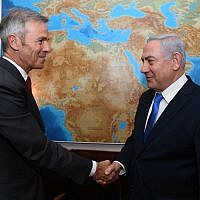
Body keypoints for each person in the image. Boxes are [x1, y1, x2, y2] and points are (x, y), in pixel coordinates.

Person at [0, 8, 110, 200]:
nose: (48, 48)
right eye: (40, 41)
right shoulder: (4, 84)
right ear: (14, 42)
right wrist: (94, 169)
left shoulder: (12, 79)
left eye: (47, 40)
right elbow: (37, 148)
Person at [100, 34, 200, 199]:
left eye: (150, 61)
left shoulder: (196, 103)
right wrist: (119, 164)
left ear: (175, 61)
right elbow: (138, 140)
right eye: (143, 61)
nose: (143, 68)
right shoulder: (146, 99)